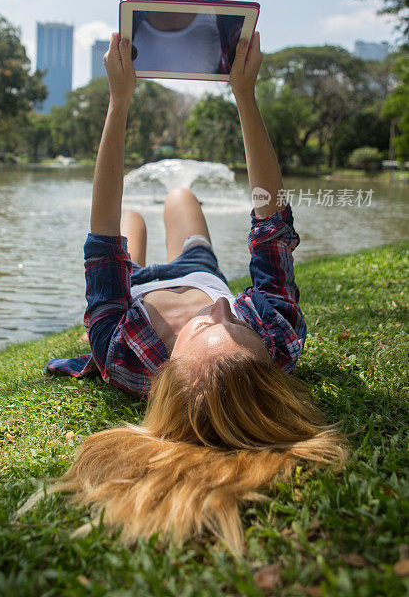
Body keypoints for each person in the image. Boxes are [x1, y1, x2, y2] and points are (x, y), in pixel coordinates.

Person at [38, 31, 346, 553]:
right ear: (265, 359)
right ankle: (181, 222)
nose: (226, 308)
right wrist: (245, 96)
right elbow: (272, 223)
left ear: (167, 370)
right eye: (236, 326)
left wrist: (120, 100)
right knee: (181, 194)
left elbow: (101, 239)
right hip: (198, 269)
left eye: (208, 325)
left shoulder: (123, 354)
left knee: (126, 220)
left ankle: (146, 248)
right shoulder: (275, 333)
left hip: (135, 289)